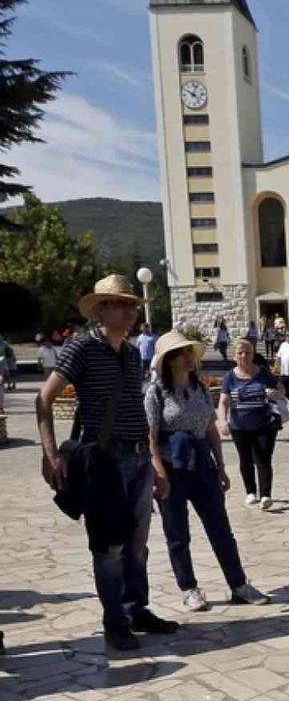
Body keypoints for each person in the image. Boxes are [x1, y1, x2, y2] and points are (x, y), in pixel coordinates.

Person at [37, 274, 181, 651]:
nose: (132, 310)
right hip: (105, 461)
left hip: (138, 458)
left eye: (134, 305)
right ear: (102, 309)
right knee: (110, 547)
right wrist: (51, 454)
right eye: (124, 303)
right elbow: (45, 398)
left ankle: (136, 609)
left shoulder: (133, 353)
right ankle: (114, 620)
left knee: (137, 544)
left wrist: (154, 464)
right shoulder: (81, 349)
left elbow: (137, 410)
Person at [147, 332, 270, 611]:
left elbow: (211, 428)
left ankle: (238, 584)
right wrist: (160, 474)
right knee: (177, 532)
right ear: (168, 360)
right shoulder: (156, 392)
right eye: (182, 353)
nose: (189, 357)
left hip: (202, 464)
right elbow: (150, 438)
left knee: (220, 528)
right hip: (172, 468)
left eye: (190, 351)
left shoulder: (199, 387)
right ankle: (189, 588)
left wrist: (221, 467)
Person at [220, 339, 284, 510]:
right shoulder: (229, 377)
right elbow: (224, 401)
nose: (244, 356)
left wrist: (275, 393)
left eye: (247, 352)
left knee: (263, 457)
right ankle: (250, 491)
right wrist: (223, 421)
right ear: (234, 356)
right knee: (245, 458)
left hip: (265, 424)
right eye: (240, 353)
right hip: (239, 426)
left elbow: (281, 389)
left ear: (253, 354)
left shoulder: (262, 372)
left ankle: (265, 494)